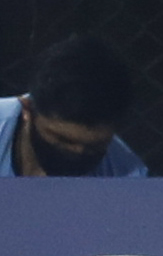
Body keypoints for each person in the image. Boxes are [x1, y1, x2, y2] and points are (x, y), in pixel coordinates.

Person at [2, 34, 146, 177]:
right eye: (62, 139)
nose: (76, 152)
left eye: (93, 147)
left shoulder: (126, 175)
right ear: (27, 109)